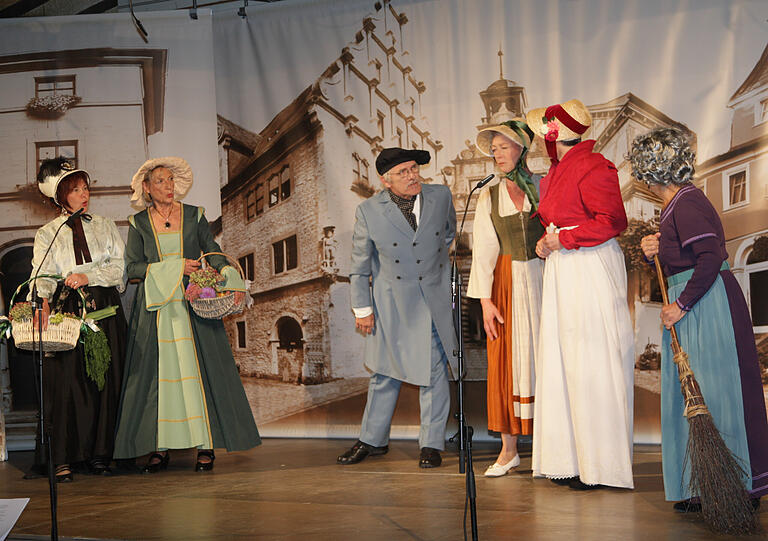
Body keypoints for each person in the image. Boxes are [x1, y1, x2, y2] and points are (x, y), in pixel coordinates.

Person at [632, 127, 768, 511]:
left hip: (707, 307)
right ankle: (705, 482)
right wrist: (653, 249)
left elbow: (709, 258)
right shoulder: (678, 205)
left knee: (716, 392)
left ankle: (736, 485)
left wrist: (683, 304)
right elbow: (684, 256)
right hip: (696, 303)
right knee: (695, 396)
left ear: (650, 171)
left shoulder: (687, 203)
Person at [113, 157, 261, 472]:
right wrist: (175, 267)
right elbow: (133, 268)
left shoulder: (194, 216)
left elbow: (213, 252)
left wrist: (232, 278)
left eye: (170, 180)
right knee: (159, 378)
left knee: (200, 373)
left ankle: (205, 445)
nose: (168, 186)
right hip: (156, 309)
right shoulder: (139, 222)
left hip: (195, 302)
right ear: (147, 188)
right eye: (161, 181)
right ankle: (160, 446)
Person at [526, 99, 634, 490]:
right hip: (565, 266)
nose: (541, 141)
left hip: (589, 264)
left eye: (544, 134)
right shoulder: (556, 171)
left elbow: (611, 221)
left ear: (557, 136)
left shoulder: (594, 166)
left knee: (591, 357)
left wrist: (563, 239)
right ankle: (569, 458)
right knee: (563, 357)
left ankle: (600, 464)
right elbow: (558, 219)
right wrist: (546, 241)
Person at [337, 147, 457, 468]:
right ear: (385, 180)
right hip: (391, 303)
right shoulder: (369, 211)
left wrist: (431, 273)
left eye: (414, 169)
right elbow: (360, 265)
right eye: (403, 172)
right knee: (384, 373)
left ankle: (431, 444)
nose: (412, 176)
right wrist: (362, 309)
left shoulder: (441, 196)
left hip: (431, 299)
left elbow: (447, 235)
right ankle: (372, 440)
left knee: (433, 370)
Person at [28, 157, 127, 482]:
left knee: (105, 381)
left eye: (86, 188)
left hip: (105, 307)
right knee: (68, 384)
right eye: (75, 189)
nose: (84, 195)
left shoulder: (105, 225)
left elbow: (118, 269)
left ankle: (100, 455)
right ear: (60, 196)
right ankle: (63, 458)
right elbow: (41, 274)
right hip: (69, 310)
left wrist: (87, 276)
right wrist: (41, 300)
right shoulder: (48, 232)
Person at [467, 120, 544, 477]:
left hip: (546, 280)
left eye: (504, 146)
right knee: (506, 361)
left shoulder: (543, 187)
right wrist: (485, 301)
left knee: (547, 357)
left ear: (522, 149)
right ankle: (508, 449)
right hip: (507, 282)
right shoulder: (488, 195)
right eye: (494, 148)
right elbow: (483, 249)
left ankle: (550, 447)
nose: (497, 154)